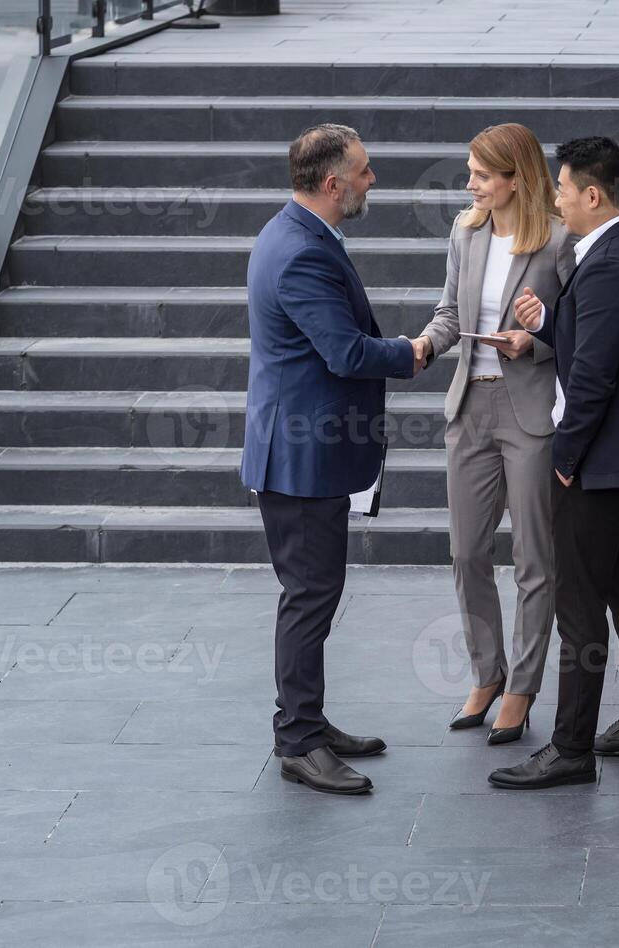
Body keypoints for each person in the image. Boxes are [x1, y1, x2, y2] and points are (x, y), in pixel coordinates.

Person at [240, 124, 426, 795]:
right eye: (365, 171)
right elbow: (345, 353)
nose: (371, 180)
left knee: (315, 594)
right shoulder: (300, 253)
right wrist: (416, 350)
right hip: (300, 459)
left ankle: (308, 723)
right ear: (332, 182)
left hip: (300, 451)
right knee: (309, 598)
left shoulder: (292, 233)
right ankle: (296, 741)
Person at [489, 136, 619, 790]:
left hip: (599, 465)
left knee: (578, 607)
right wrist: (544, 327)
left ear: (593, 195)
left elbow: (593, 380)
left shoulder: (607, 265)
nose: (558, 200)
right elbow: (599, 346)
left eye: (564, 189)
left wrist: (564, 461)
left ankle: (570, 748)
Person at [413, 124, 576, 744]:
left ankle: (521, 688)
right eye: (471, 173)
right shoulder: (466, 230)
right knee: (466, 553)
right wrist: (429, 342)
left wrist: (532, 343)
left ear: (516, 178)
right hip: (469, 406)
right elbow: (451, 312)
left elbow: (572, 333)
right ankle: (487, 672)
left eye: (482, 174)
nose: (471, 184)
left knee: (534, 557)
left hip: (529, 409)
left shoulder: (558, 242)